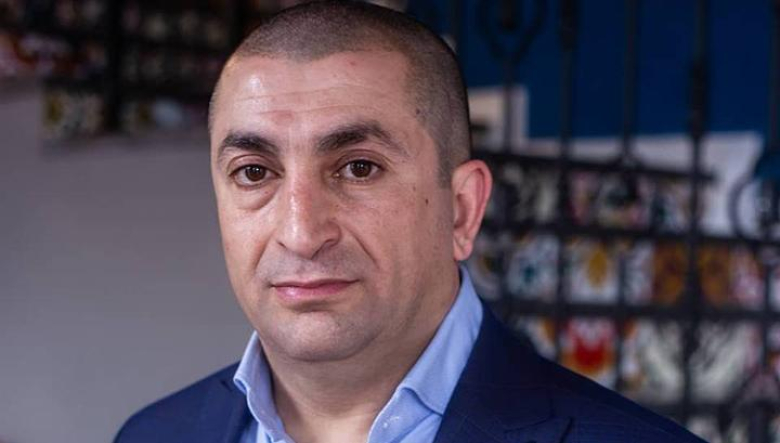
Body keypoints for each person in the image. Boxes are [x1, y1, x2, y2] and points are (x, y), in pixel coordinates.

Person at [114, 2, 705, 443]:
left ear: (462, 209)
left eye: (359, 167)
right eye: (253, 172)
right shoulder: (152, 435)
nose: (300, 232)